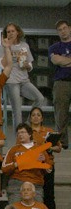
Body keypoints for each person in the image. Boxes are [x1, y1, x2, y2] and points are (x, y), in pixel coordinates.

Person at [1, 23, 46, 129]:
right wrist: (7, 48)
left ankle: (27, 126)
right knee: (17, 110)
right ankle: (19, 136)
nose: (11, 33)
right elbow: (1, 64)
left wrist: (27, 66)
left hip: (24, 80)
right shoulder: (3, 45)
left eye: (13, 31)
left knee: (40, 98)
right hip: (11, 81)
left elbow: (30, 64)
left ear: (17, 32)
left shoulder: (24, 45)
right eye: (8, 32)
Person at [30, 106, 62, 209]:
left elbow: (59, 148)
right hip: (33, 167)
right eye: (33, 115)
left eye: (38, 115)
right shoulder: (27, 131)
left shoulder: (49, 131)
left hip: (48, 166)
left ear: (42, 118)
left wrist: (49, 147)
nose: (36, 117)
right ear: (30, 118)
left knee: (49, 194)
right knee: (35, 194)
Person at [48, 20, 71, 149]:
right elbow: (56, 60)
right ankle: (62, 143)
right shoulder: (54, 47)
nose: (63, 31)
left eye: (64, 28)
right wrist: (62, 61)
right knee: (61, 115)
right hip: (61, 83)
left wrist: (64, 61)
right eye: (60, 30)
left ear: (69, 28)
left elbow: (62, 61)